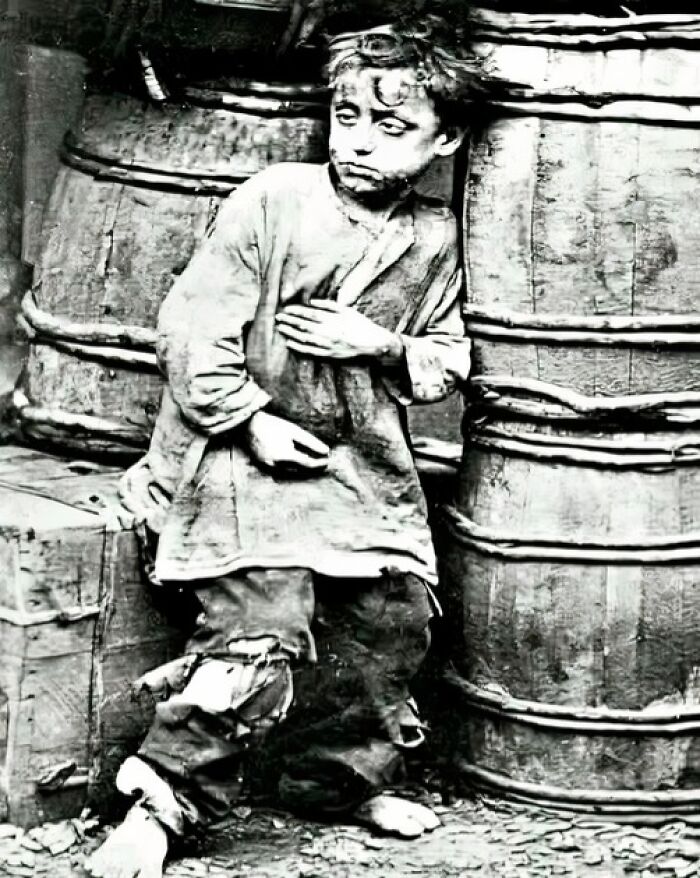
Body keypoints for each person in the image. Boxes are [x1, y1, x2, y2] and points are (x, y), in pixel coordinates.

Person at [87, 16, 478, 878]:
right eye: (348, 117)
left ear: (443, 139)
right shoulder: (276, 199)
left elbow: (447, 358)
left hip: (358, 469)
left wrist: (372, 343)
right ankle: (164, 805)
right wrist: (250, 417)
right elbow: (193, 328)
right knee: (261, 626)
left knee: (390, 618)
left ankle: (337, 783)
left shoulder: (436, 237)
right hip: (238, 457)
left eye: (394, 127)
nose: (361, 143)